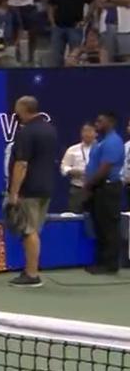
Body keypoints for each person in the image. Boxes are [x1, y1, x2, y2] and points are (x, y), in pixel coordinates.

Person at [5, 96, 57, 286]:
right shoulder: (49, 129)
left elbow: (22, 165)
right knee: (34, 229)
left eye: (17, 108)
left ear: (24, 109)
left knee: (29, 231)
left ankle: (32, 274)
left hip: (30, 189)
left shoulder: (26, 133)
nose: (15, 112)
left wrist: (14, 193)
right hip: (46, 188)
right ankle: (30, 269)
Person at [83, 111, 124, 275]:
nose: (97, 123)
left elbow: (105, 168)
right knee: (99, 226)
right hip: (98, 189)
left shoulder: (113, 142)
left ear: (110, 122)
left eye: (100, 121)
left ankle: (110, 264)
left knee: (109, 226)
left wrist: (88, 185)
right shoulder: (100, 142)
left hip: (108, 188)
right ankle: (101, 262)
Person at [61, 123, 97, 213]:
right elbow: (63, 166)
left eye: (90, 131)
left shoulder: (101, 149)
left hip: (97, 189)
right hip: (78, 189)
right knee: (74, 215)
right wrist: (71, 171)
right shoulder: (73, 149)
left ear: (96, 133)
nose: (87, 134)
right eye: (85, 131)